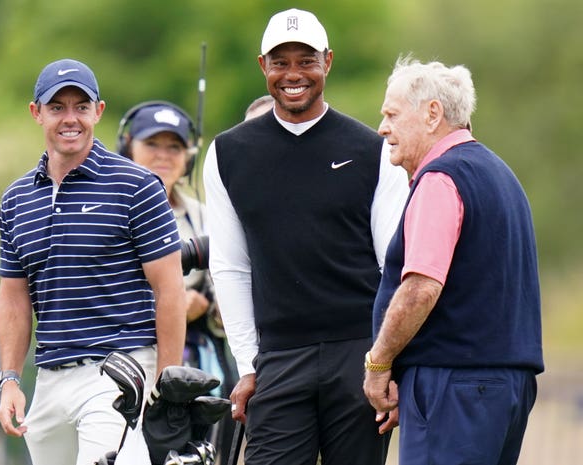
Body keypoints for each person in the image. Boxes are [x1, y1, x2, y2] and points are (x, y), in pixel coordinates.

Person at [203, 8, 410, 465]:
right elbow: (231, 268)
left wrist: (388, 361)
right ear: (263, 66)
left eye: (306, 60)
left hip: (359, 355)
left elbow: (392, 266)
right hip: (278, 357)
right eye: (281, 62)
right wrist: (249, 364)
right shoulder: (227, 154)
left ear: (328, 62)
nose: (293, 74)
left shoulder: (371, 150)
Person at [0, 59, 187, 465]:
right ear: (36, 113)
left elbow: (169, 290)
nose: (71, 119)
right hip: (49, 379)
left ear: (98, 111)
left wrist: (168, 387)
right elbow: (13, 298)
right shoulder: (15, 200)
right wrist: (10, 379)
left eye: (81, 107)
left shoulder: (137, 185)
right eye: (57, 107)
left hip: (120, 371)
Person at [363, 56, 544, 465]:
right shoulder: (502, 175)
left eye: (391, 114)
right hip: (505, 386)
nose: (382, 128)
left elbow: (421, 287)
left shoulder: (441, 178)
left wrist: (380, 362)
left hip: (455, 385)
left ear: (432, 114)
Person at [117, 100, 238, 465]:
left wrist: (206, 307)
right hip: (127, 357)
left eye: (174, 147)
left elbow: (232, 286)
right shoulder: (110, 206)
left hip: (199, 357)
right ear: (128, 147)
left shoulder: (205, 216)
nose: (163, 156)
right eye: (152, 144)